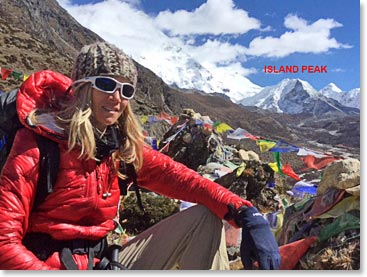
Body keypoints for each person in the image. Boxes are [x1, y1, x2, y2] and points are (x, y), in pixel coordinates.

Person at [0, 41, 281, 270]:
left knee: (205, 217)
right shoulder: (37, 144)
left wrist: (246, 212)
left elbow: (180, 178)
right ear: (82, 86)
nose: (117, 97)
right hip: (44, 266)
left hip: (103, 263)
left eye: (126, 90)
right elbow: (4, 242)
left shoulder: (116, 147)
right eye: (107, 85)